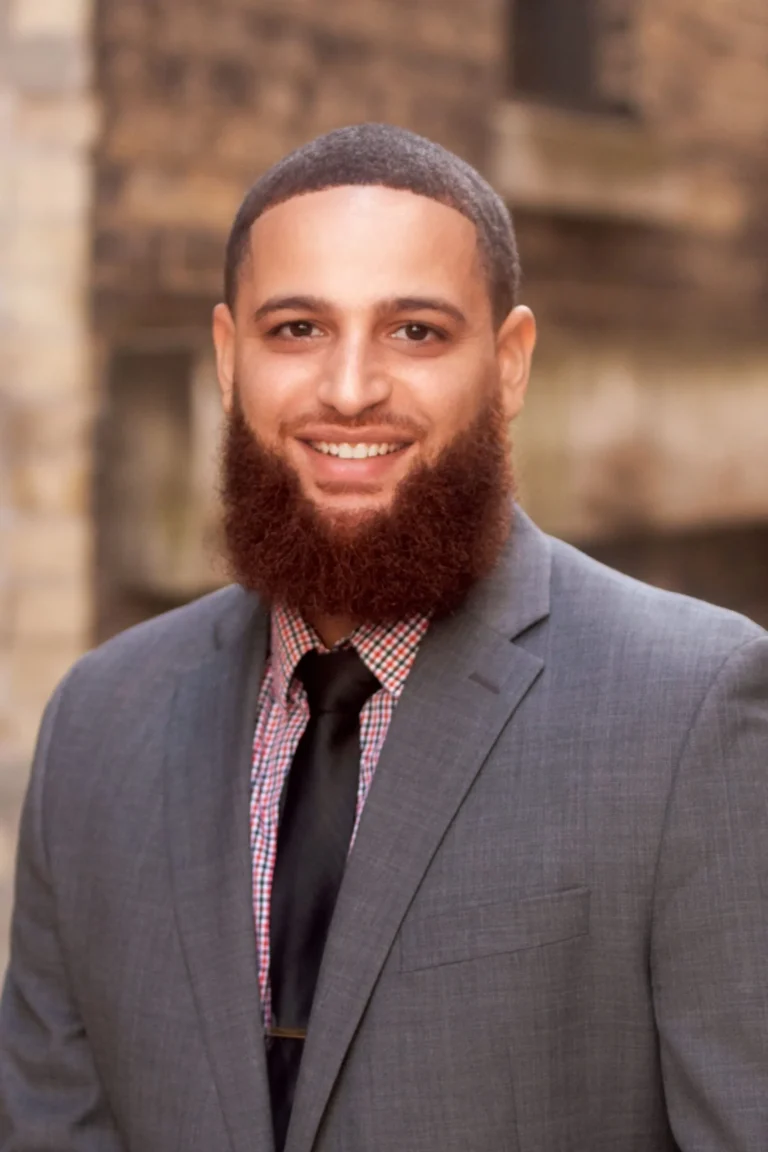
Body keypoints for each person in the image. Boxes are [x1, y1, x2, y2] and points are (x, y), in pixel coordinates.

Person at [1, 122, 767, 1152]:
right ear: (230, 359)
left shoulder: (693, 710)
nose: (351, 387)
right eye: (298, 330)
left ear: (508, 364)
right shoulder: (98, 722)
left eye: (414, 331)